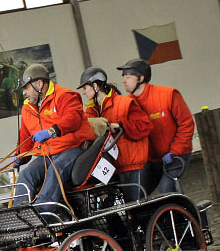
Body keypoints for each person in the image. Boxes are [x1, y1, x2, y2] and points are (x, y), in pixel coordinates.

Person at [11, 64, 90, 213]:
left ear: (39, 84)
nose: (24, 93)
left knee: (56, 170)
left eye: (26, 88)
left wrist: (52, 131)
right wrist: (20, 156)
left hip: (73, 148)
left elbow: (73, 118)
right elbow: (26, 137)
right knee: (26, 174)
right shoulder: (27, 108)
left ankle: (41, 213)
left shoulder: (65, 95)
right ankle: (20, 214)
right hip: (48, 153)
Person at [116, 58, 194, 195]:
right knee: (136, 193)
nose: (124, 81)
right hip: (152, 160)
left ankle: (180, 215)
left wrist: (175, 151)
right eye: (123, 77)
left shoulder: (168, 95)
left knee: (167, 190)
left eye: (128, 77)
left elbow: (186, 124)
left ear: (141, 78)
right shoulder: (128, 104)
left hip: (176, 155)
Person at [79, 67, 152, 202]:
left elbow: (145, 126)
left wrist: (121, 126)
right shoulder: (92, 111)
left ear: (95, 86)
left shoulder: (124, 103)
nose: (83, 92)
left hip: (134, 165)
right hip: (114, 168)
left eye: (85, 88)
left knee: (138, 208)